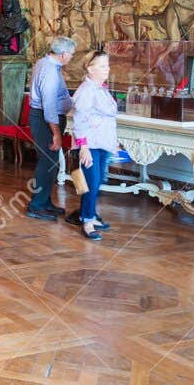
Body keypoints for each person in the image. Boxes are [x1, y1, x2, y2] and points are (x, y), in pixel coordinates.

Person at [69, 50, 119, 240]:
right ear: (90, 68)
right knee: (90, 182)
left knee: (97, 182)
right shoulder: (87, 90)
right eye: (102, 66)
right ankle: (87, 221)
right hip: (89, 144)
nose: (107, 69)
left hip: (102, 142)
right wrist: (83, 147)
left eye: (107, 65)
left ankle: (86, 213)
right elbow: (80, 120)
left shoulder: (101, 88)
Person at [25, 36, 76, 221]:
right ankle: (36, 205)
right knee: (47, 162)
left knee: (51, 162)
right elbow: (49, 106)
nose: (71, 57)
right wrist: (56, 134)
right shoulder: (50, 72)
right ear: (63, 54)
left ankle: (44, 202)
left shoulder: (45, 63)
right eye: (71, 54)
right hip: (45, 120)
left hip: (44, 118)